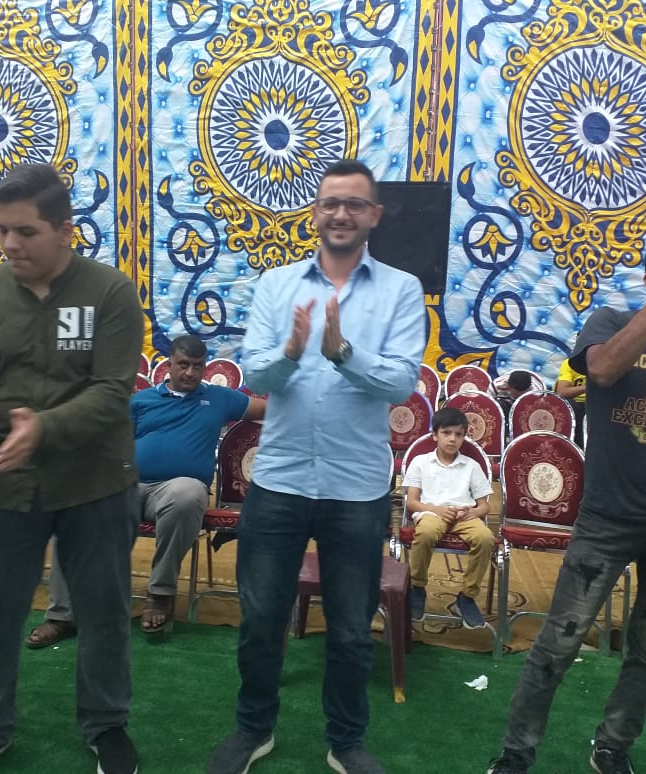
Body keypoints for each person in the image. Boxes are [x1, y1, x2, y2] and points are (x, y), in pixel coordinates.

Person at [207, 159, 427, 774]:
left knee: (351, 627)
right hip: (279, 481)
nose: (341, 213)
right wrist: (291, 351)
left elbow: (401, 384)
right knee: (261, 618)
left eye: (354, 203)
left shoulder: (401, 290)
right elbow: (256, 373)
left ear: (374, 215)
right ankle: (254, 729)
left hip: (356, 489)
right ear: (315, 212)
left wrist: (342, 353)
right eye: (331, 202)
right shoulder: (277, 285)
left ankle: (346, 741)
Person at [486, 230, 646, 774]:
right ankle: (516, 754)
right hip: (608, 521)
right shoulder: (609, 323)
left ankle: (613, 747)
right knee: (560, 642)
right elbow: (599, 371)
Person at [0, 163, 144, 774]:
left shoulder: (110, 291)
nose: (9, 243)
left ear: (64, 230)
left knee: (103, 615)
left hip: (95, 481)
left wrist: (44, 427)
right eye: (1, 230)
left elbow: (112, 391)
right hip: (3, 481)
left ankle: (106, 725)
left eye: (25, 231)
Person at [25, 334, 265, 645]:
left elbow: (268, 409)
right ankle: (62, 615)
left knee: (188, 494)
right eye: (183, 365)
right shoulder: (141, 401)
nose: (190, 372)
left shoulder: (220, 398)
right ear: (169, 364)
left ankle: (160, 595)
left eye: (197, 366)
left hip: (176, 490)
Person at [402, 407, 494, 627]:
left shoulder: (471, 466)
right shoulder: (420, 462)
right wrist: (437, 510)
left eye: (459, 434)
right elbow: (411, 502)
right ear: (435, 435)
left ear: (464, 437)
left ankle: (467, 596)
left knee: (485, 539)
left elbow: (485, 506)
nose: (453, 439)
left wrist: (473, 512)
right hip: (431, 513)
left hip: (464, 516)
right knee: (425, 533)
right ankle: (417, 587)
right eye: (446, 433)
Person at [555, 357, 587, 447]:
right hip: (575, 403)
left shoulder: (604, 363)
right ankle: (576, 448)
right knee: (572, 407)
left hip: (596, 401)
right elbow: (562, 392)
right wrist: (588, 387)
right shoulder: (570, 363)